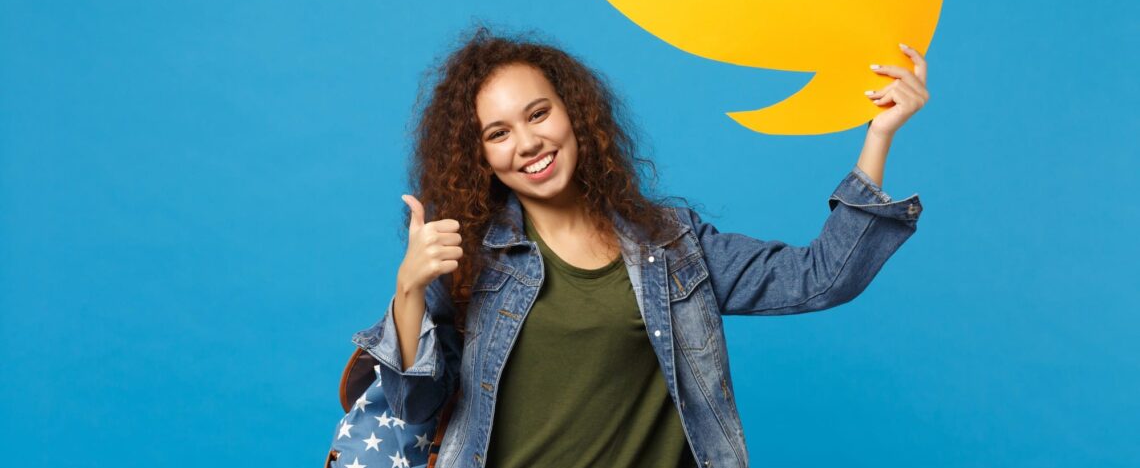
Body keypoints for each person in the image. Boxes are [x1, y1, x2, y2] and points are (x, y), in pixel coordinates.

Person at [350, 26, 928, 468]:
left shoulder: (672, 243)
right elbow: (415, 408)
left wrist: (878, 137)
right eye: (498, 133)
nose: (527, 143)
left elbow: (818, 278)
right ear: (480, 156)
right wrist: (409, 290)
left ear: (573, 113)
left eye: (538, 114)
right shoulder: (470, 257)